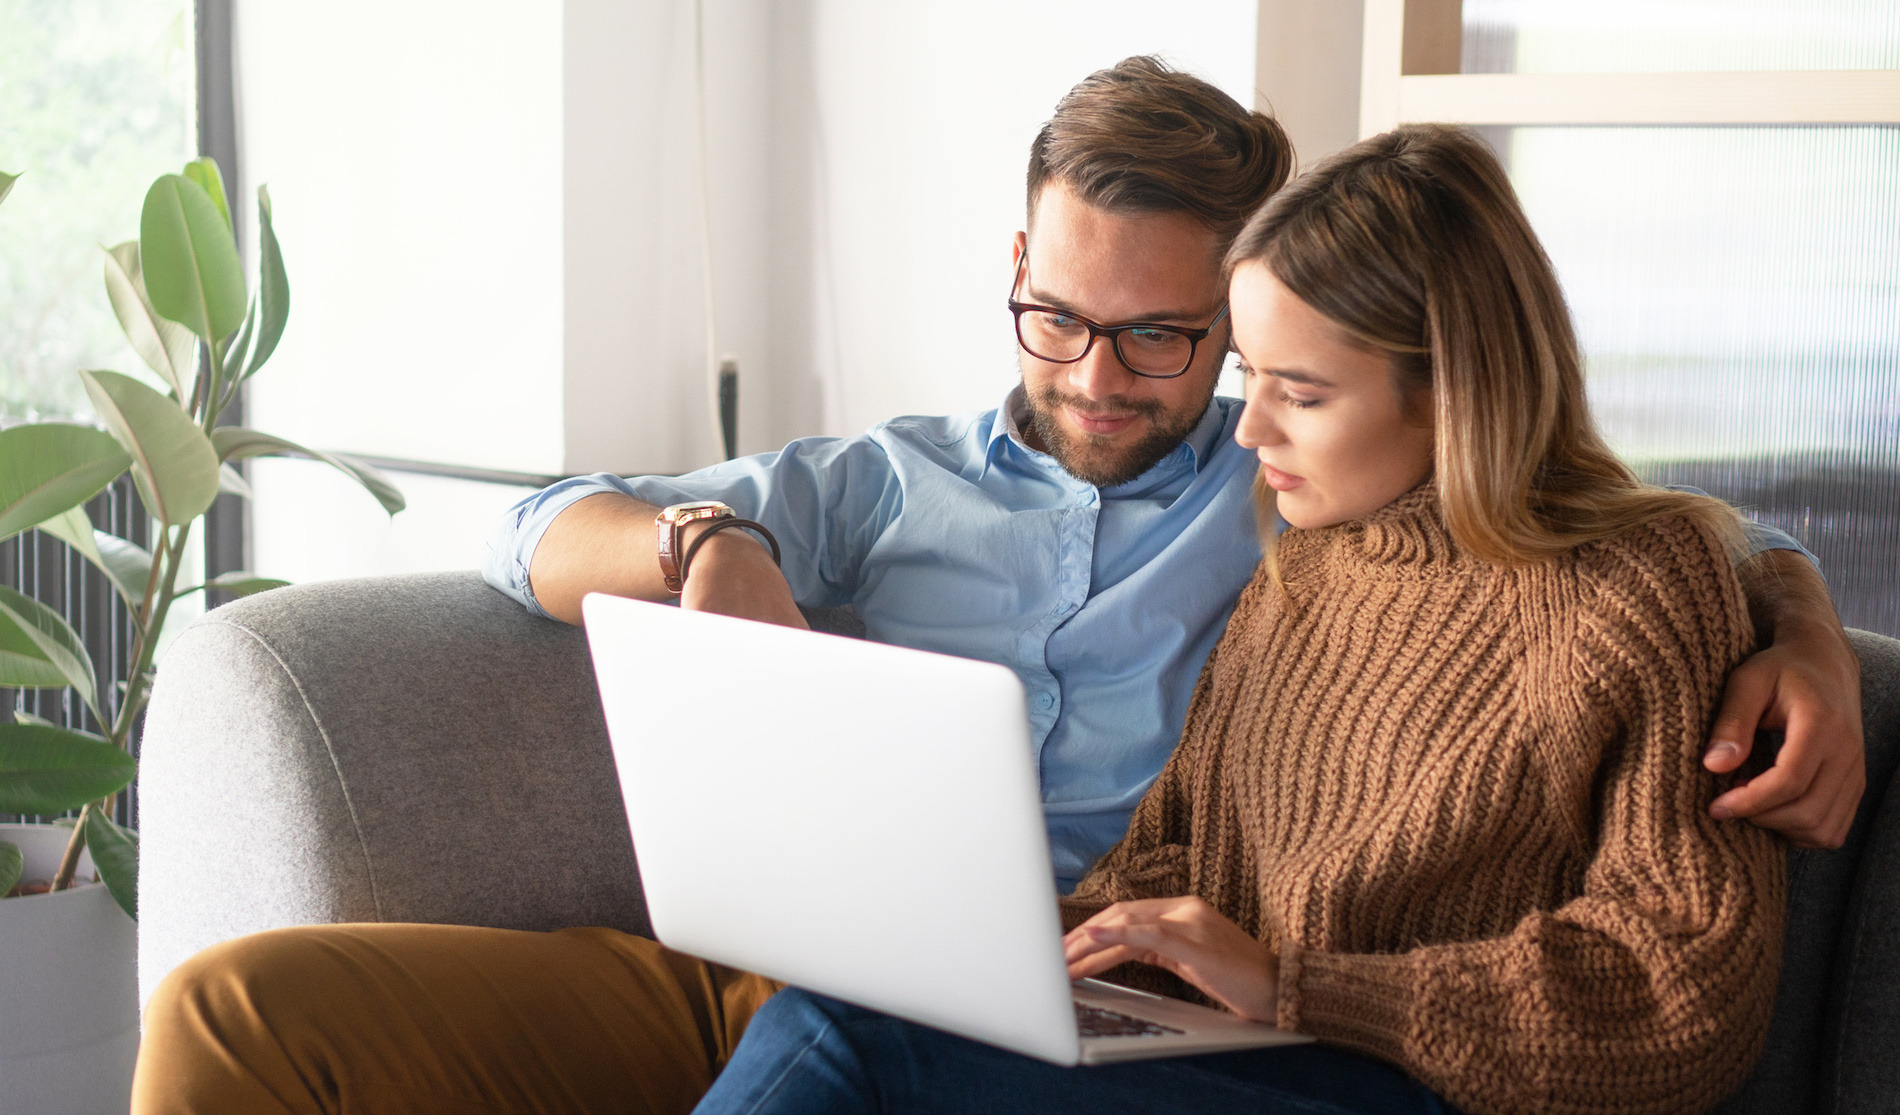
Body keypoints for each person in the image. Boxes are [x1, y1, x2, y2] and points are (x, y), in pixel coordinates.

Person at [132, 59, 1854, 1115]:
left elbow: (1602, 538)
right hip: (791, 961)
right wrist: (702, 549)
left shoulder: (1293, 516)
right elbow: (542, 530)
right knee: (238, 1011)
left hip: (1060, 1015)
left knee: (850, 1049)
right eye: (1060, 317)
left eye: (1178, 344)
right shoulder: (886, 485)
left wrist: (1799, 626)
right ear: (1016, 266)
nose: (1104, 376)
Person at [691, 123, 1785, 1115]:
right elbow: (1174, 857)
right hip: (1249, 1051)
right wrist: (1014, 945)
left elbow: (1680, 996)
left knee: (841, 1043)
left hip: (1424, 1085)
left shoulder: (1633, 588)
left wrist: (1304, 986)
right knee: (854, 1005)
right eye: (1249, 373)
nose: (1249, 427)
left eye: (1299, 393)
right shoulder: (1307, 558)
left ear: (1455, 386)